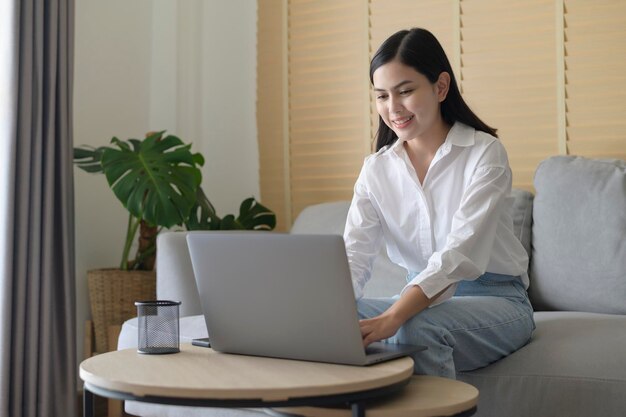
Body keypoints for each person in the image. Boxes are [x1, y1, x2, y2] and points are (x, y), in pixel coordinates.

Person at [344, 28, 535, 379]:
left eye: (405, 91)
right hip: (417, 299)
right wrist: (332, 308)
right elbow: (354, 256)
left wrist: (396, 315)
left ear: (440, 87)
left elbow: (458, 254)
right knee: (331, 319)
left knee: (416, 329)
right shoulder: (376, 170)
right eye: (382, 96)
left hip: (495, 299)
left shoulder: (484, 154)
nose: (392, 108)